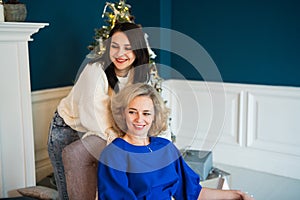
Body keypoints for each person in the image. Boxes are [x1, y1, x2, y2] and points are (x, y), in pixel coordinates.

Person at [48, 22, 154, 200]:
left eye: (128, 48)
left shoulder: (141, 75)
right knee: (68, 192)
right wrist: (123, 142)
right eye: (115, 46)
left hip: (104, 128)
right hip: (68, 128)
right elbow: (96, 118)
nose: (120, 54)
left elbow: (144, 110)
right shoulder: (95, 71)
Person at [97, 83, 254, 200]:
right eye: (132, 112)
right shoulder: (113, 154)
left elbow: (193, 193)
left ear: (154, 117)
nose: (139, 119)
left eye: (146, 113)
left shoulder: (165, 147)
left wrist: (236, 195)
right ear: (123, 114)